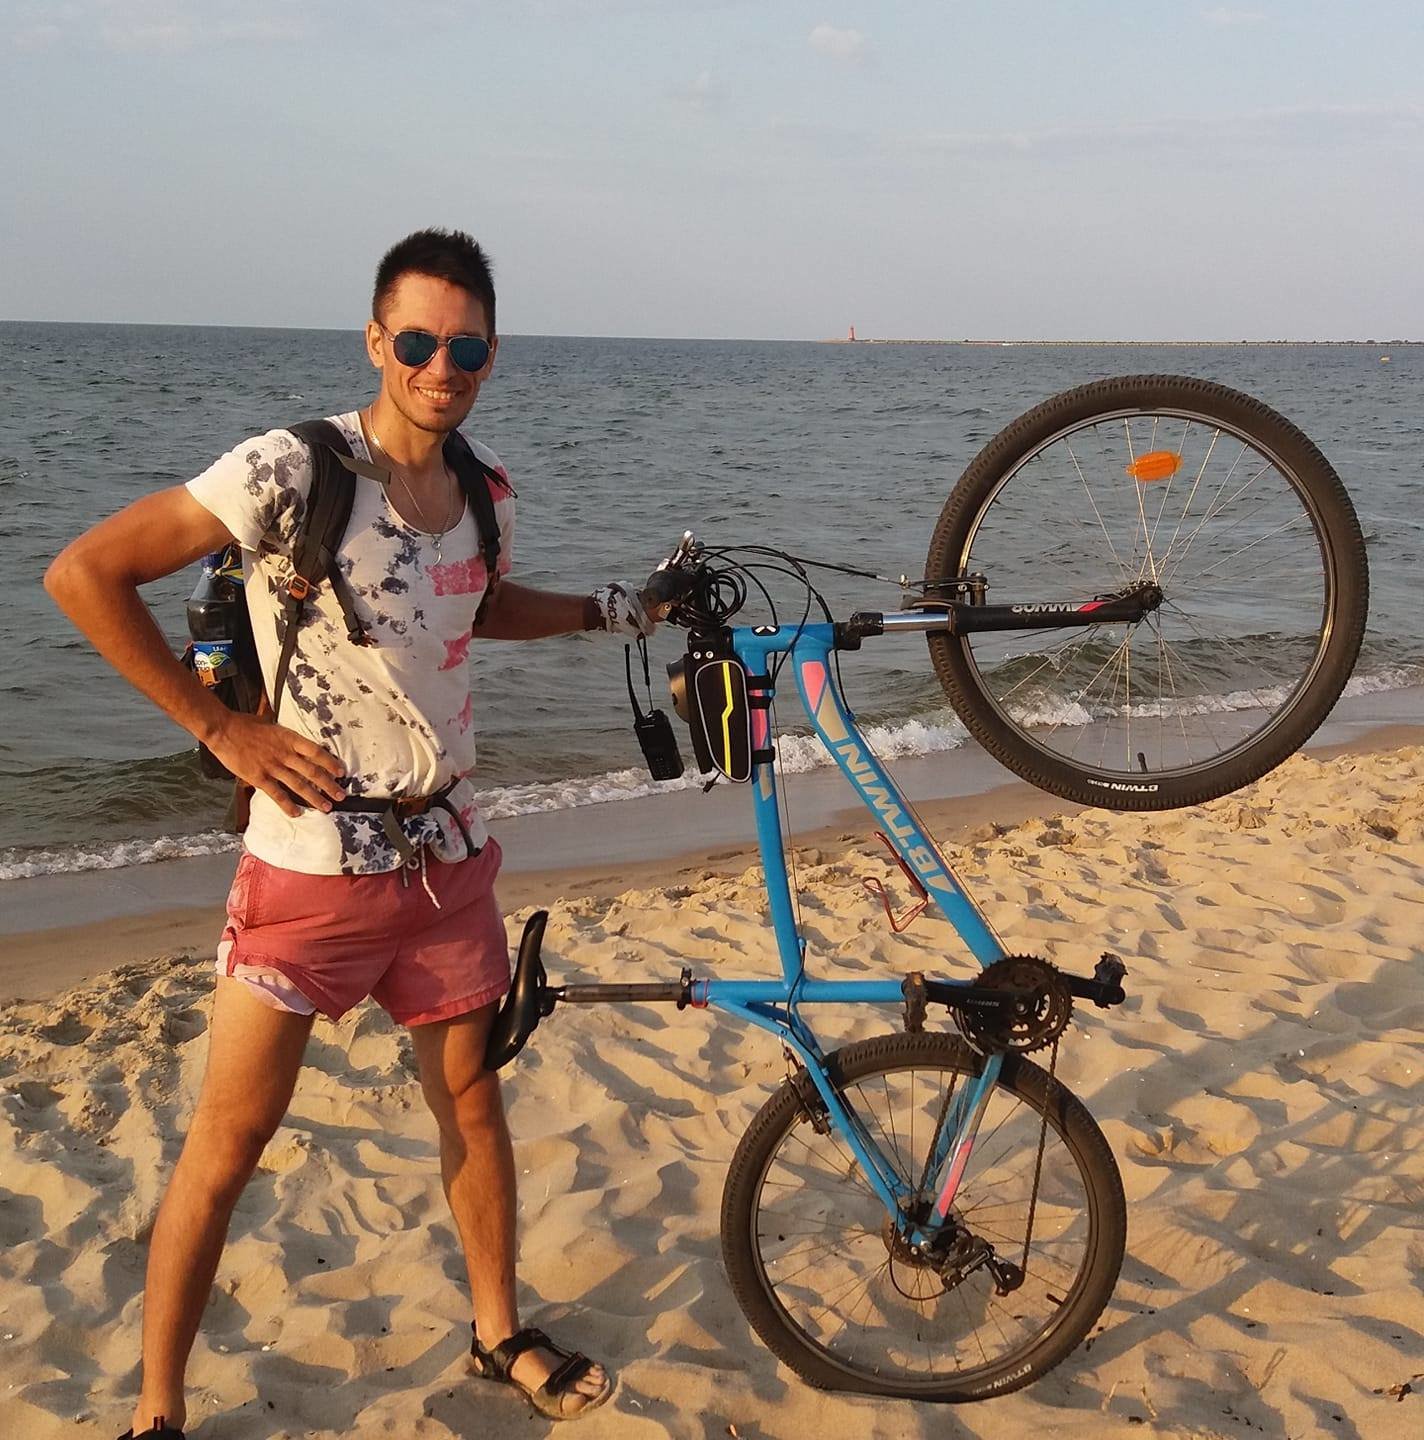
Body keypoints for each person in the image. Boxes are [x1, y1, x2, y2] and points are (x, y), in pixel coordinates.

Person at [45, 228, 653, 1438]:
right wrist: (221, 730)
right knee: (231, 1139)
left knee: (471, 1107)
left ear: (490, 355)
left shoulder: (483, 487)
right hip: (307, 868)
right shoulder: (290, 469)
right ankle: (158, 1409)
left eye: (466, 347)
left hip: (444, 864)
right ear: (377, 340)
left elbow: (475, 605)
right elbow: (85, 573)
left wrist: (605, 611)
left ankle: (497, 1332)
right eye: (418, 341)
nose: (441, 367)